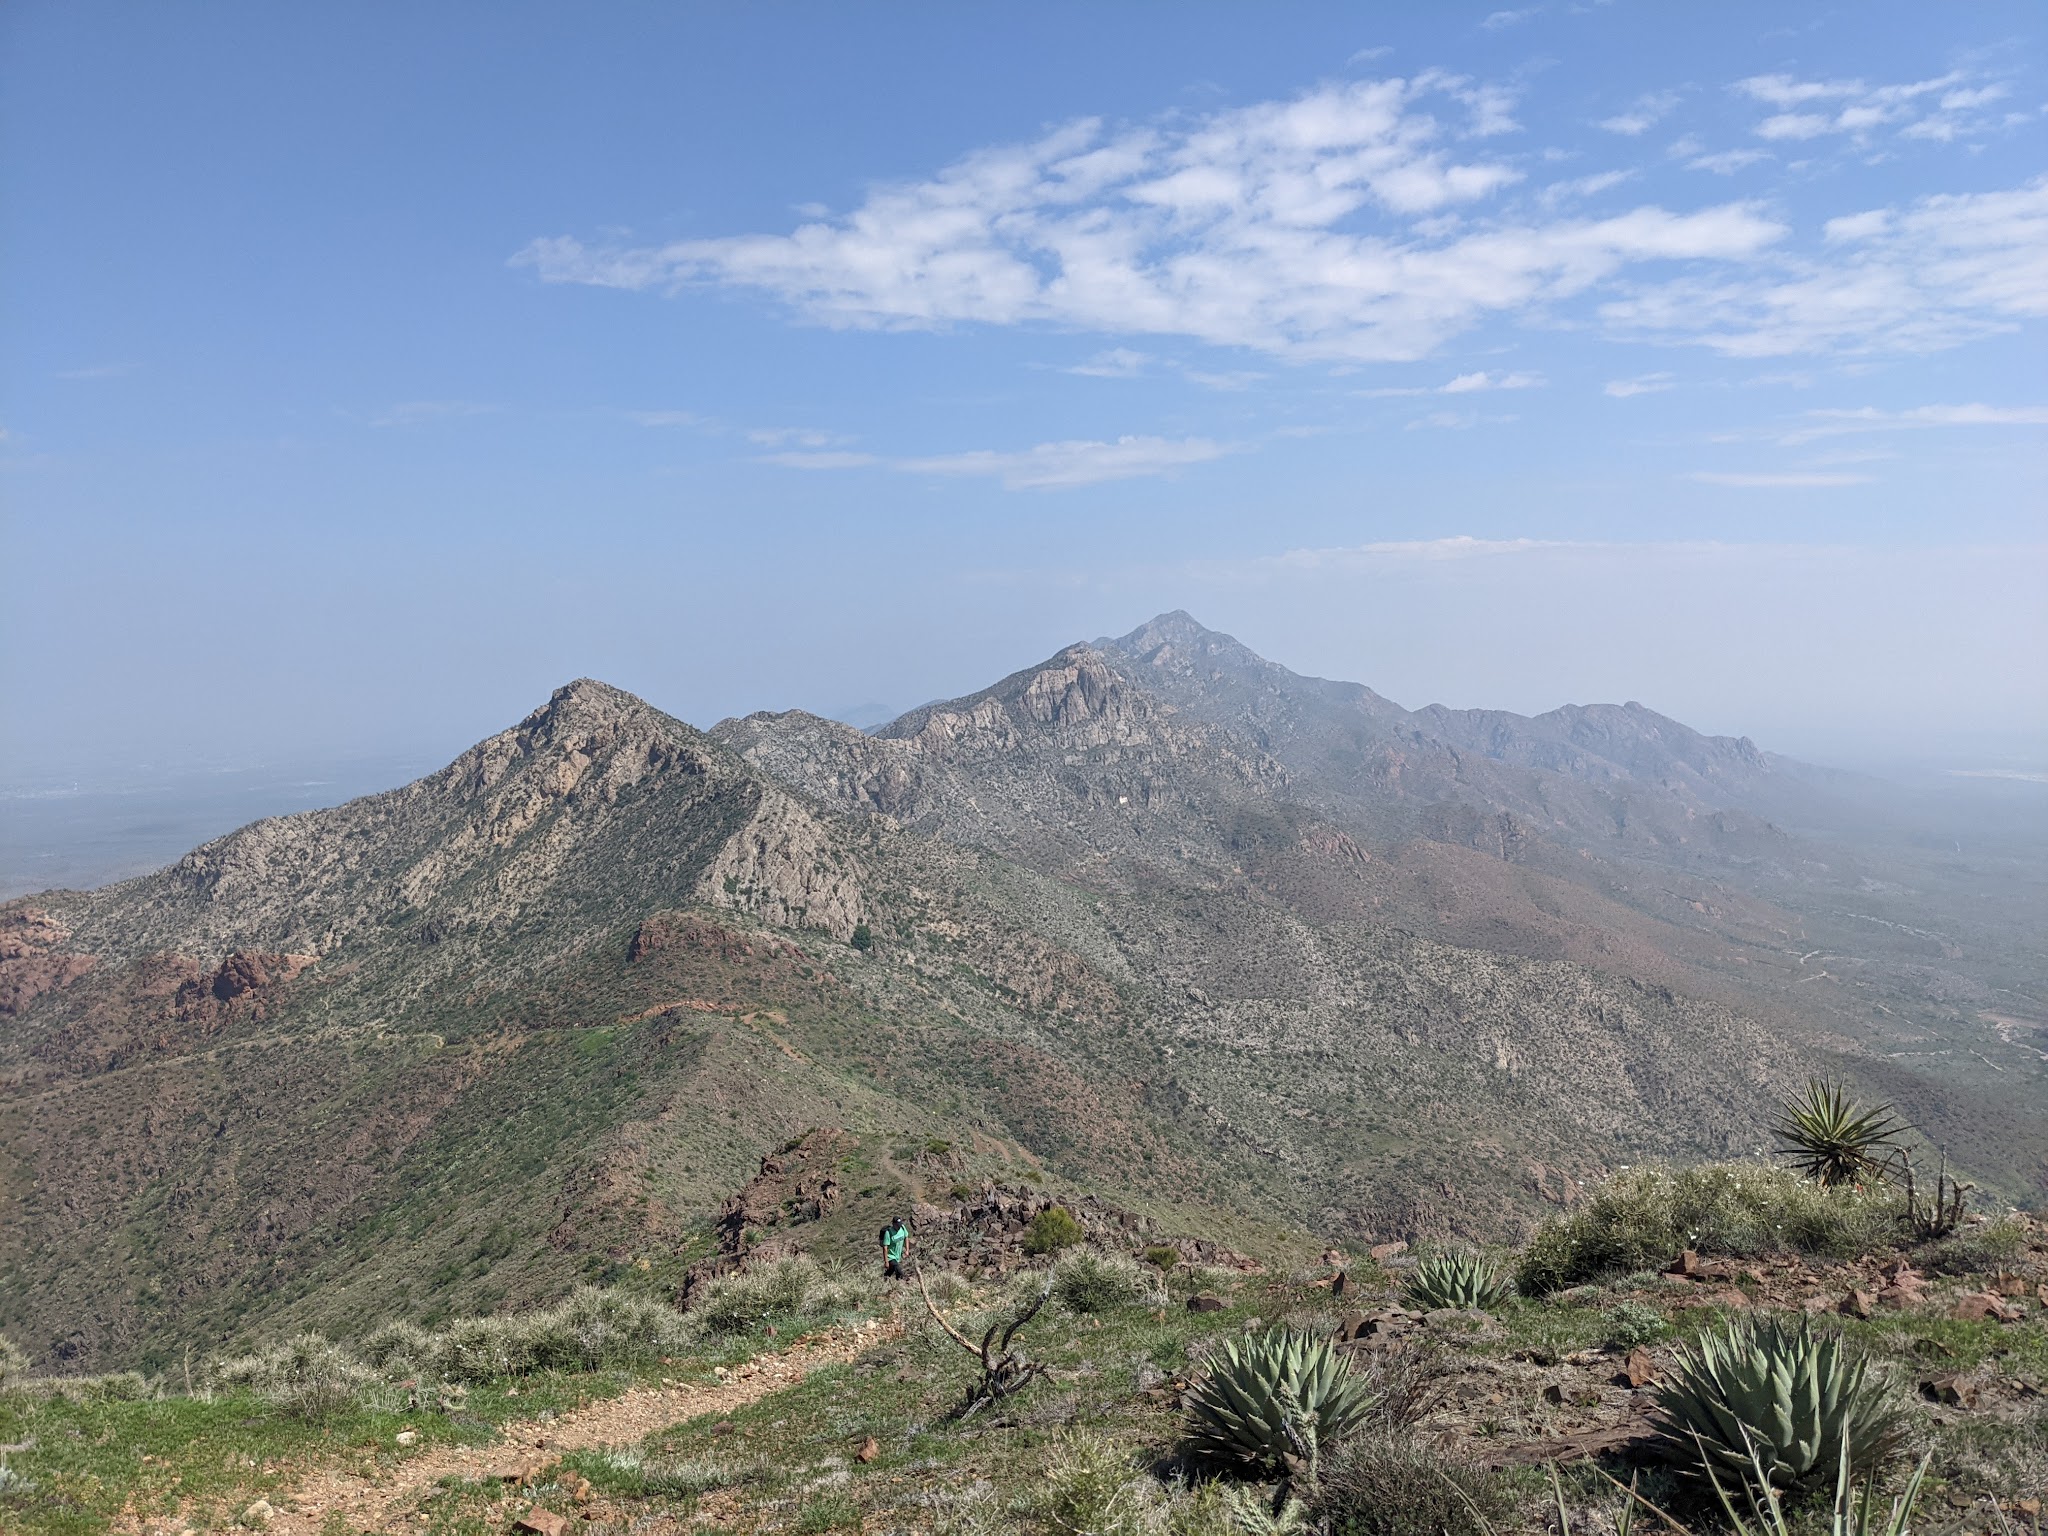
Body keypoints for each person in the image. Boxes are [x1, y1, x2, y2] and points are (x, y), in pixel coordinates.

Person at [879, 1215, 909, 1280]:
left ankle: (884, 1279)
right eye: (897, 1225)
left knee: (891, 1270)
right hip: (890, 1256)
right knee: (898, 1269)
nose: (899, 1226)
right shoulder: (889, 1232)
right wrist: (886, 1261)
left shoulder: (902, 1228)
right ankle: (901, 1281)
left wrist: (907, 1250)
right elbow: (885, 1247)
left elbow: (906, 1237)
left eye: (900, 1224)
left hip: (897, 1255)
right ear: (893, 1224)